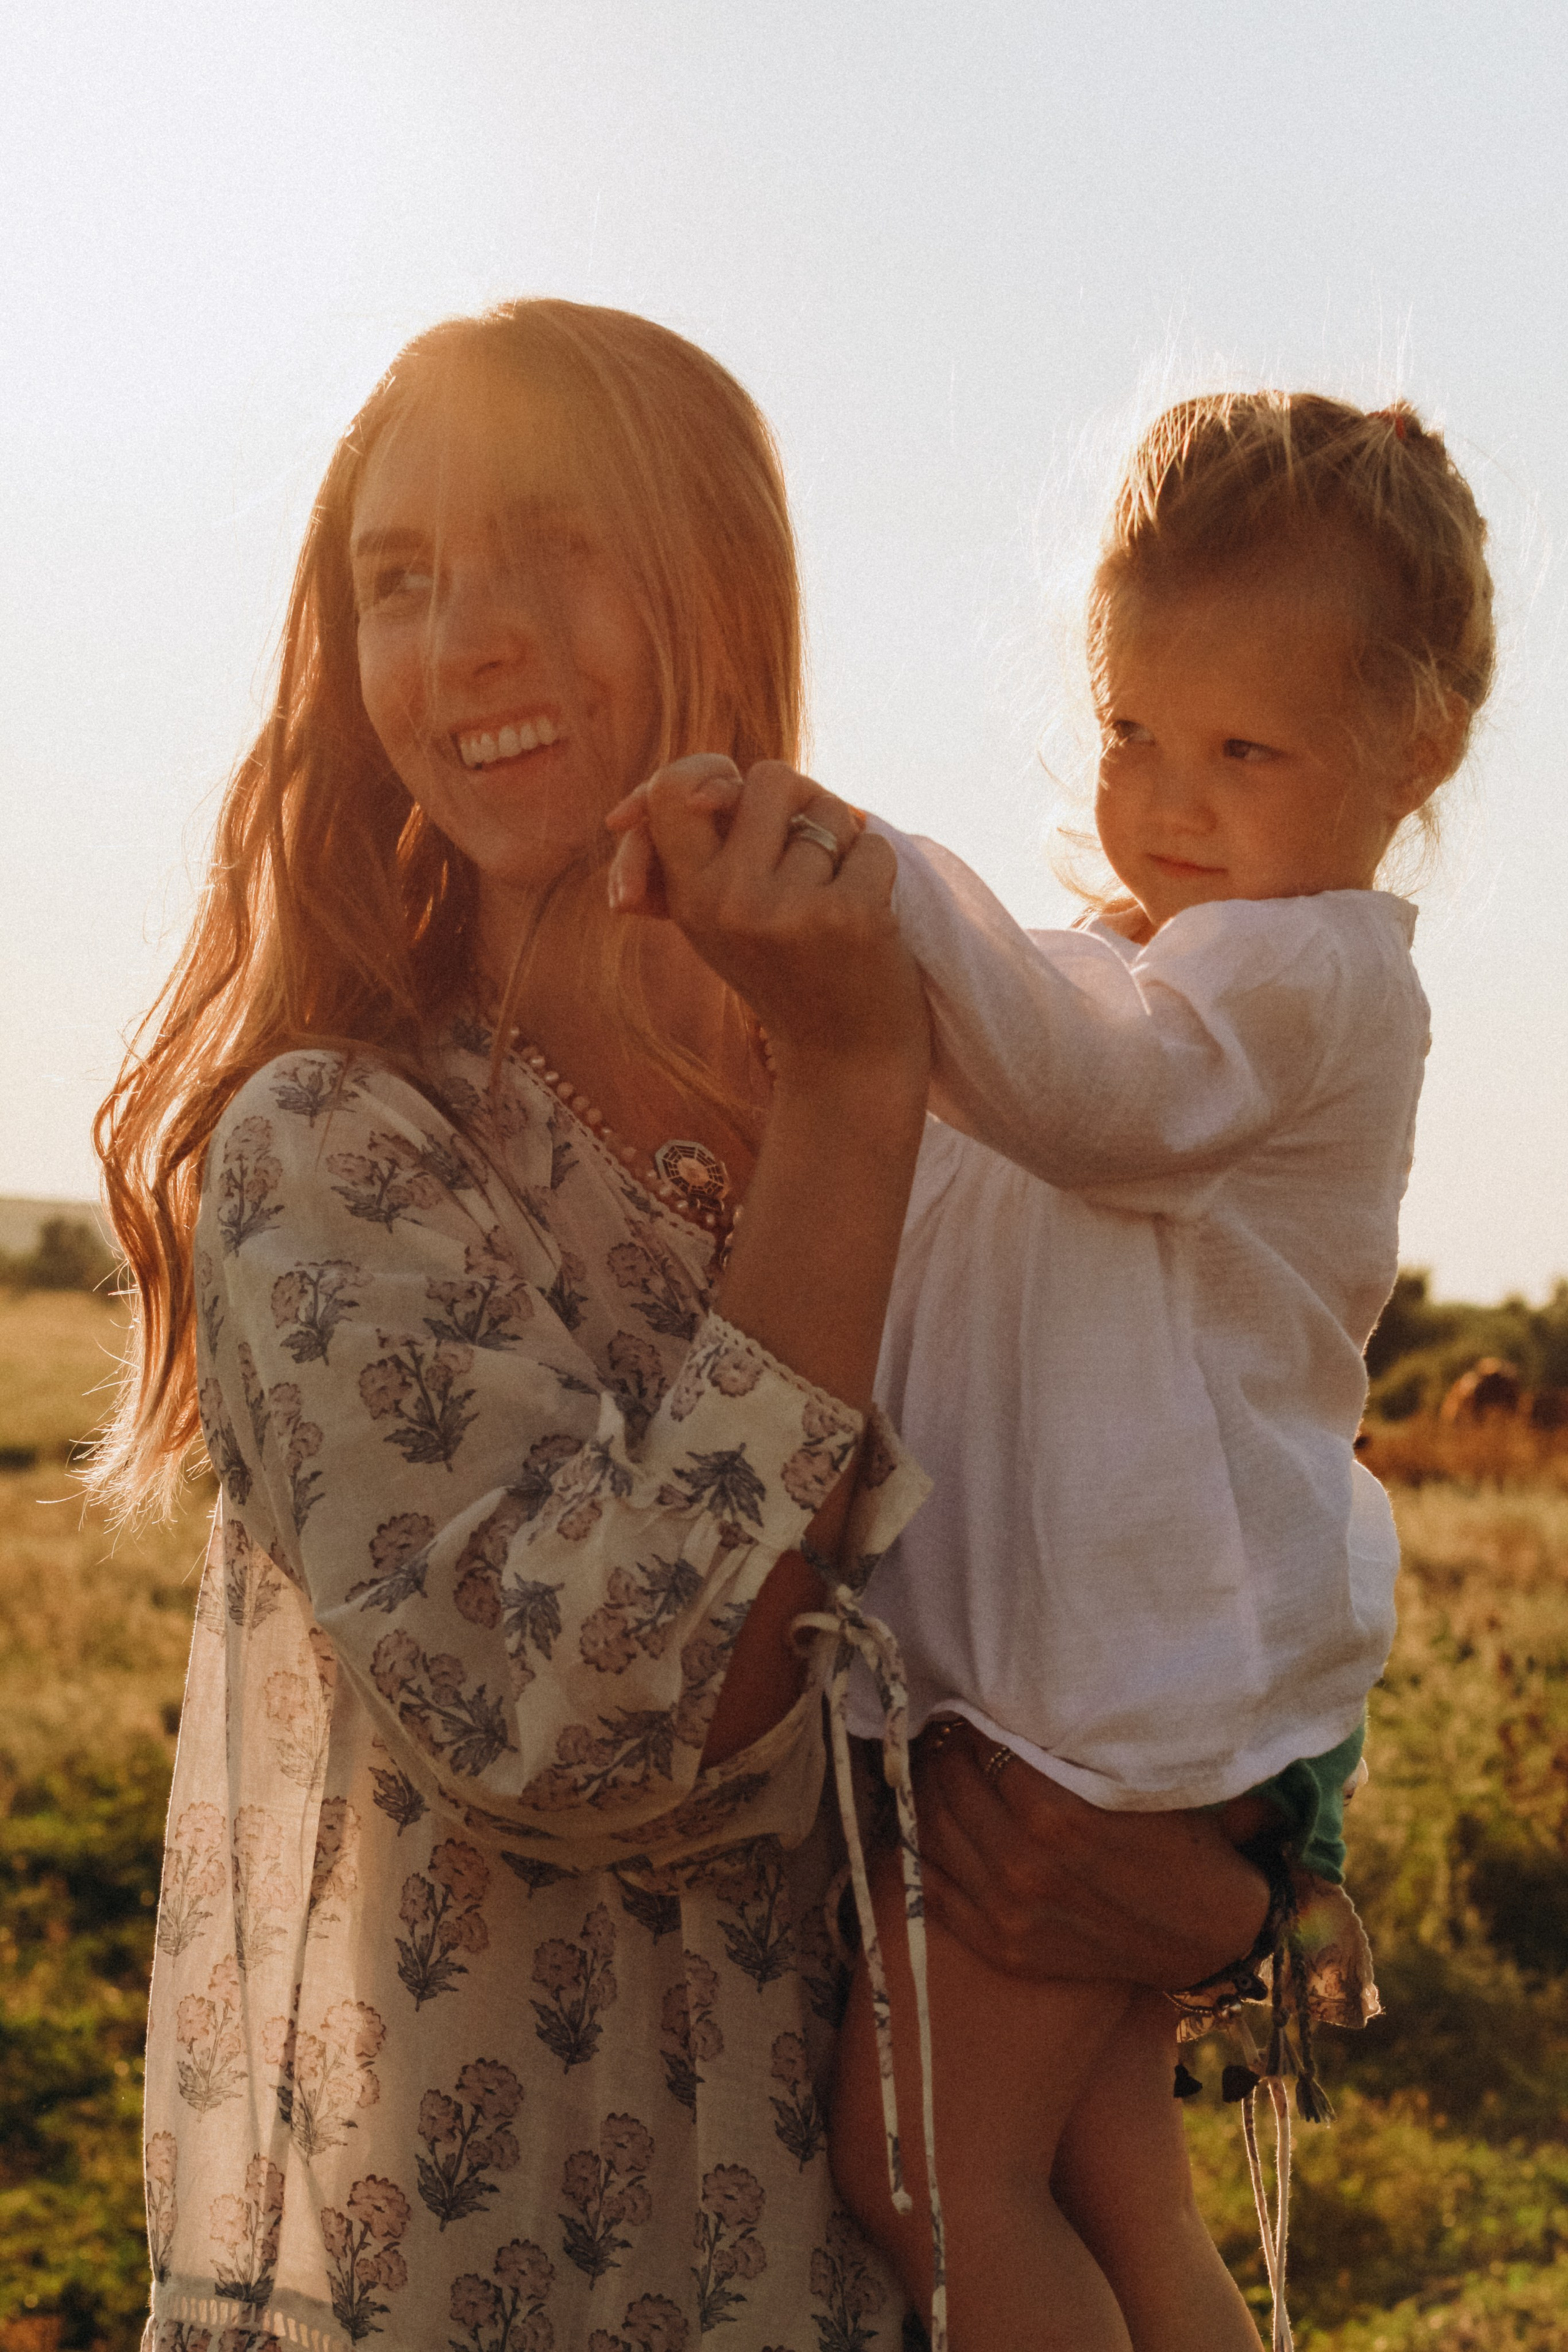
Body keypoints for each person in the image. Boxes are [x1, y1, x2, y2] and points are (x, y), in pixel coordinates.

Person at [94, 302, 1272, 2352]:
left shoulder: (989, 1123)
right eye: (399, 581)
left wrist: (1238, 1900)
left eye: (549, 547)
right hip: (543, 2274)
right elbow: (589, 1725)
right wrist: (848, 1098)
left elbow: (1216, 1564)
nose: (465, 639)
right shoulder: (337, 1151)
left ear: (718, 586)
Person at [610, 390, 1496, 2350]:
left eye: (1245, 750)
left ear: (1417, 748)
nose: (1168, 798)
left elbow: (1098, 1107)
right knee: (1111, 2187)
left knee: (930, 2179)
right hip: (1087, 1677)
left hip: (1120, 1683)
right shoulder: (1142, 965)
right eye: (1127, 731)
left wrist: (872, 883)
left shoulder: (1307, 974)